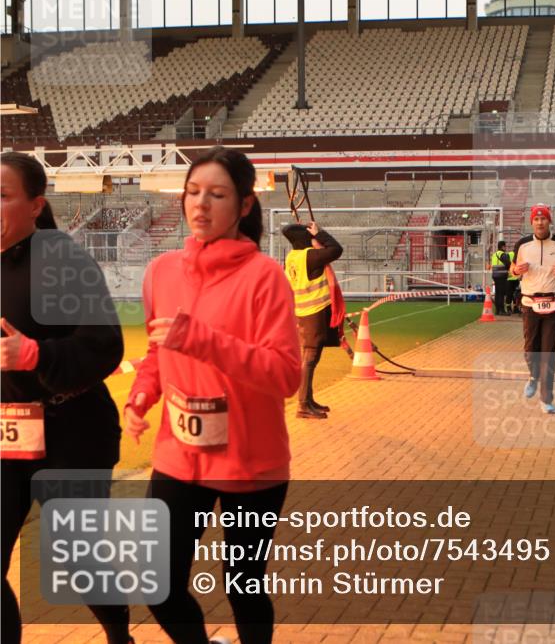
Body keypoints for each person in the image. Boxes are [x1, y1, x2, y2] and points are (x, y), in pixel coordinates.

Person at [124, 147, 300, 644]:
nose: (200, 204)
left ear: (244, 206)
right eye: (193, 192)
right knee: (158, 584)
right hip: (179, 457)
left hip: (251, 463)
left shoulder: (265, 277)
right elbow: (158, 352)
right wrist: (140, 397)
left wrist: (202, 339)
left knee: (243, 586)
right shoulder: (161, 271)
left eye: (217, 195)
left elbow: (285, 375)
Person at [1, 152, 132, 644]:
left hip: (73, 432)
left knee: (78, 557)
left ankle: (120, 637)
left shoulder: (62, 259)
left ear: (35, 206)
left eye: (3, 195)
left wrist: (36, 354)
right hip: (7, 436)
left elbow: (106, 345)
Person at [511, 204, 555, 414]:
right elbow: (512, 269)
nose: (540, 222)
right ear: (531, 222)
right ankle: (533, 375)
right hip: (530, 304)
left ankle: (546, 398)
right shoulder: (523, 245)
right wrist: (516, 269)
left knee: (548, 352)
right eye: (536, 219)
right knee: (531, 349)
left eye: (543, 219)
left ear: (549, 221)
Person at [282, 220, 344, 419]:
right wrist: (320, 233)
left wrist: (314, 238)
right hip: (313, 312)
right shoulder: (309, 256)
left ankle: (308, 399)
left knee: (310, 357)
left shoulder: (292, 257)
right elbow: (336, 249)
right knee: (310, 358)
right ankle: (303, 405)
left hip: (302, 311)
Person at [490, 240, 512, 316]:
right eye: (505, 246)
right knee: (501, 294)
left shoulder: (494, 254)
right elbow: (508, 263)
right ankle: (502, 310)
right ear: (502, 247)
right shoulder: (502, 254)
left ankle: (497, 310)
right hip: (501, 276)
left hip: (495, 275)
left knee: (497, 293)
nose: (505, 248)